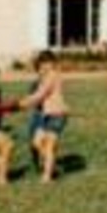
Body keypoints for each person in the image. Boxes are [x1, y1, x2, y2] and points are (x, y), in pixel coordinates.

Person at [16, 50, 69, 183]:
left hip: (57, 115)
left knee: (49, 145)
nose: (45, 66)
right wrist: (22, 102)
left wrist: (22, 103)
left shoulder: (53, 76)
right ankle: (52, 166)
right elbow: (37, 93)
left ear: (53, 64)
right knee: (37, 142)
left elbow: (40, 95)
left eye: (48, 63)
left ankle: (47, 177)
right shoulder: (44, 78)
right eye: (43, 63)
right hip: (47, 115)